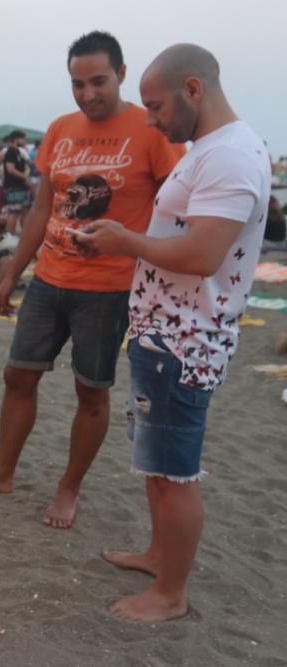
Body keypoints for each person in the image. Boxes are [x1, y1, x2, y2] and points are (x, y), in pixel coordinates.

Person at [0, 31, 186, 530]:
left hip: (109, 288)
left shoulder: (152, 133)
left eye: (98, 81)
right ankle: (1, 471)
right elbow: (42, 208)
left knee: (91, 392)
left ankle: (69, 487)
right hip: (49, 279)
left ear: (121, 74)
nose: (87, 93)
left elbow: (178, 209)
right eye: (77, 84)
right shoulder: (59, 129)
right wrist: (13, 268)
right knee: (18, 375)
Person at [75, 43, 272, 622]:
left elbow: (203, 254)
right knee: (156, 463)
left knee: (174, 473)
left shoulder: (231, 155)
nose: (152, 120)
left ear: (193, 89)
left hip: (186, 342)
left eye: (156, 107)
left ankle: (171, 593)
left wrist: (123, 241)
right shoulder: (209, 150)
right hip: (165, 332)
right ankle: (160, 555)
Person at [2, 130, 31, 236]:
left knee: (23, 210)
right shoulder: (11, 152)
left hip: (20, 186)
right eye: (22, 138)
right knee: (14, 212)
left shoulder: (18, 152)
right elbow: (10, 169)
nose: (24, 141)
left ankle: (26, 234)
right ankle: (9, 236)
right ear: (15, 139)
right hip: (14, 186)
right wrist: (25, 177)